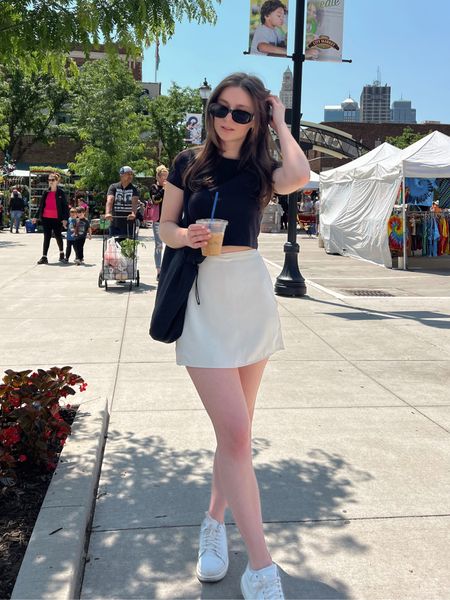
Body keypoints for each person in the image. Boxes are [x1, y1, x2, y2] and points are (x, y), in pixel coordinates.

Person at [159, 72, 309, 599]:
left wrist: (281, 124)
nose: (227, 120)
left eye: (243, 113)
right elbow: (165, 226)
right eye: (221, 108)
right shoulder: (187, 163)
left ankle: (212, 522)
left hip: (250, 302)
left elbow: (301, 174)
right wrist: (183, 235)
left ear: (257, 120)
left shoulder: (262, 169)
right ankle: (261, 568)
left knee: (235, 436)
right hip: (202, 303)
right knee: (238, 436)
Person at [34, 172, 69, 264]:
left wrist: (65, 219)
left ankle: (61, 253)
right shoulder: (46, 192)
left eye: (52, 180)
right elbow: (41, 206)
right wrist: (36, 217)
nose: (50, 182)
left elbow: (65, 207)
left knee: (58, 236)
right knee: (47, 237)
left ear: (57, 181)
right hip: (46, 218)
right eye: (49, 180)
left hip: (57, 218)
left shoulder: (61, 193)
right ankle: (44, 257)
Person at [105, 166, 139, 240]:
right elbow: (110, 200)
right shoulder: (113, 187)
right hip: (115, 221)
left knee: (128, 247)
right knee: (113, 247)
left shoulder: (134, 188)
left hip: (128, 222)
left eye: (131, 174)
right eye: (128, 174)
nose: (130, 176)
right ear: (121, 175)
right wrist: (108, 213)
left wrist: (133, 213)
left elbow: (135, 202)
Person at [149, 165, 168, 280]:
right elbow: (155, 200)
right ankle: (159, 271)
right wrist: (164, 189)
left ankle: (167, 269)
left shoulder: (170, 187)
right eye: (163, 176)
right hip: (158, 220)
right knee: (159, 246)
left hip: (169, 219)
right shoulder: (154, 187)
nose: (165, 179)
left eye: (167, 176)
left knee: (170, 245)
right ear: (158, 177)